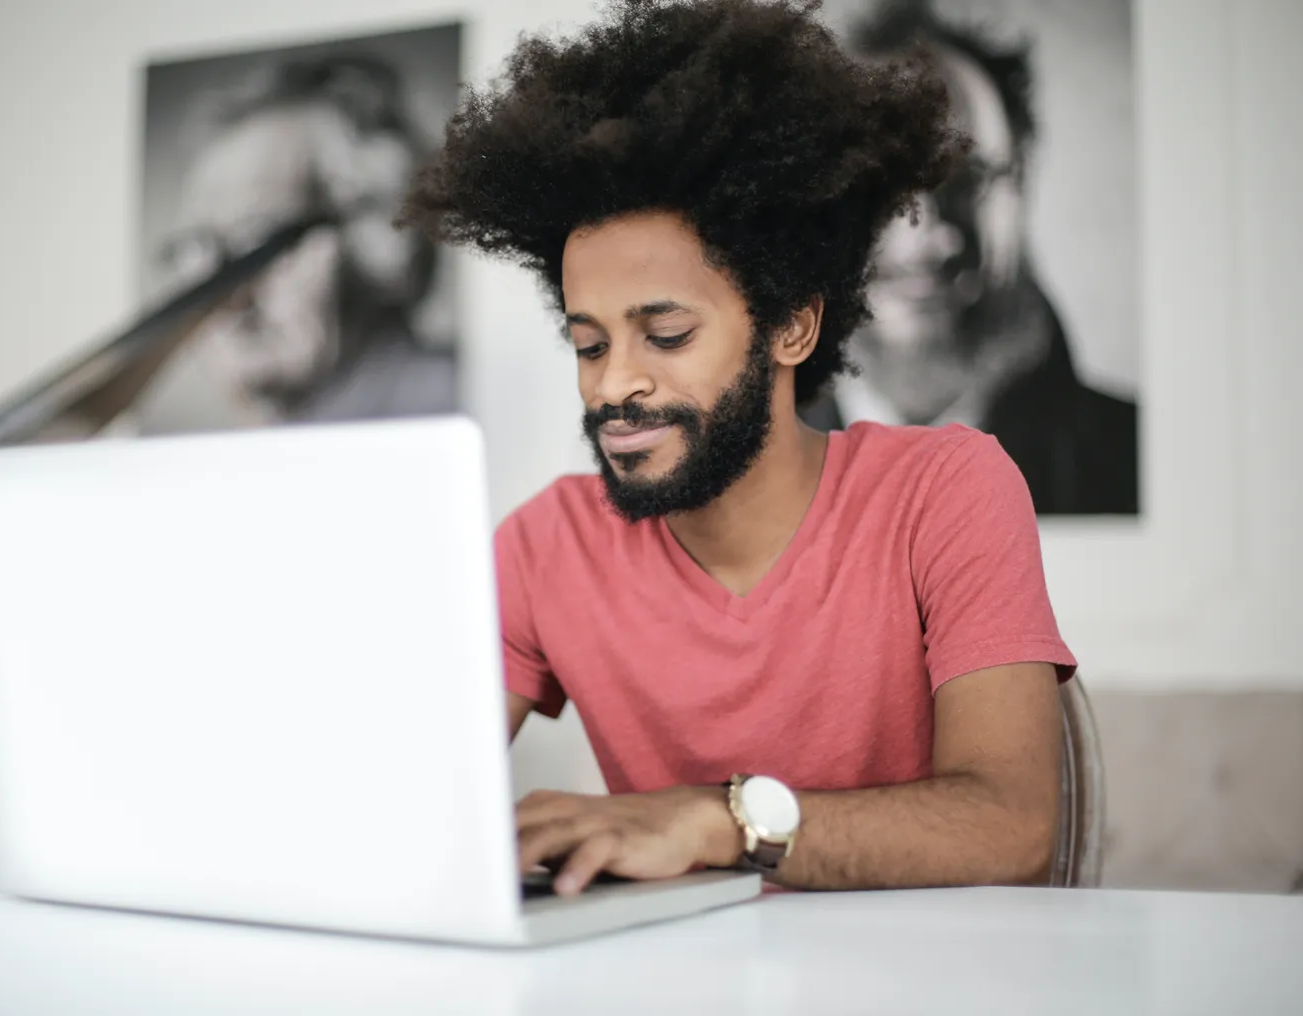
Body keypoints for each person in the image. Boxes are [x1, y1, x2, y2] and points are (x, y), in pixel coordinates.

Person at [401, 0, 1077, 894]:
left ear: (792, 327)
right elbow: (409, 803)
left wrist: (718, 820)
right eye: (590, 343)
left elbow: (1012, 825)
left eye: (667, 335)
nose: (612, 386)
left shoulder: (947, 491)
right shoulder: (544, 547)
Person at [800, 0, 1139, 515]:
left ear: (1023, 180)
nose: (924, 237)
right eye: (876, 183)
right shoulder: (724, 486)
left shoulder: (1140, 464)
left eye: (968, 180)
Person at [155, 55, 456, 426]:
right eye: (195, 249)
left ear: (380, 237)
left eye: (257, 243)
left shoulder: (449, 408)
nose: (225, 302)